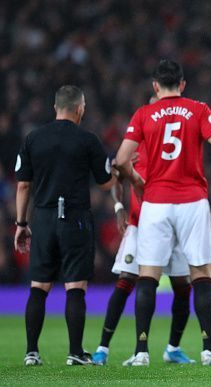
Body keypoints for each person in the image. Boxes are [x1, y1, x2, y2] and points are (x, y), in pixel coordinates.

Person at [114, 59, 211, 366]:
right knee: (201, 274)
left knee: (148, 275)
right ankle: (209, 349)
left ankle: (141, 352)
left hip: (155, 203)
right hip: (192, 202)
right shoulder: (199, 109)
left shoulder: (144, 114)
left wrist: (136, 181)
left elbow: (121, 160)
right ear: (182, 85)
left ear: (155, 87)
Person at [15, 85, 115, 366]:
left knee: (39, 286)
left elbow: (23, 185)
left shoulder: (33, 138)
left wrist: (22, 223)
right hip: (76, 218)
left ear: (55, 107)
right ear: (80, 108)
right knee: (75, 287)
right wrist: (118, 168)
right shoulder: (88, 140)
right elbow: (106, 182)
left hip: (44, 217)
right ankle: (75, 352)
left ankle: (31, 352)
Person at [92, 97, 195, 365]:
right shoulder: (135, 148)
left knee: (183, 286)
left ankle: (172, 347)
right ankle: (103, 348)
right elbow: (116, 176)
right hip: (140, 225)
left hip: (173, 226)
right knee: (126, 282)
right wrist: (117, 206)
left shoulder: (178, 147)